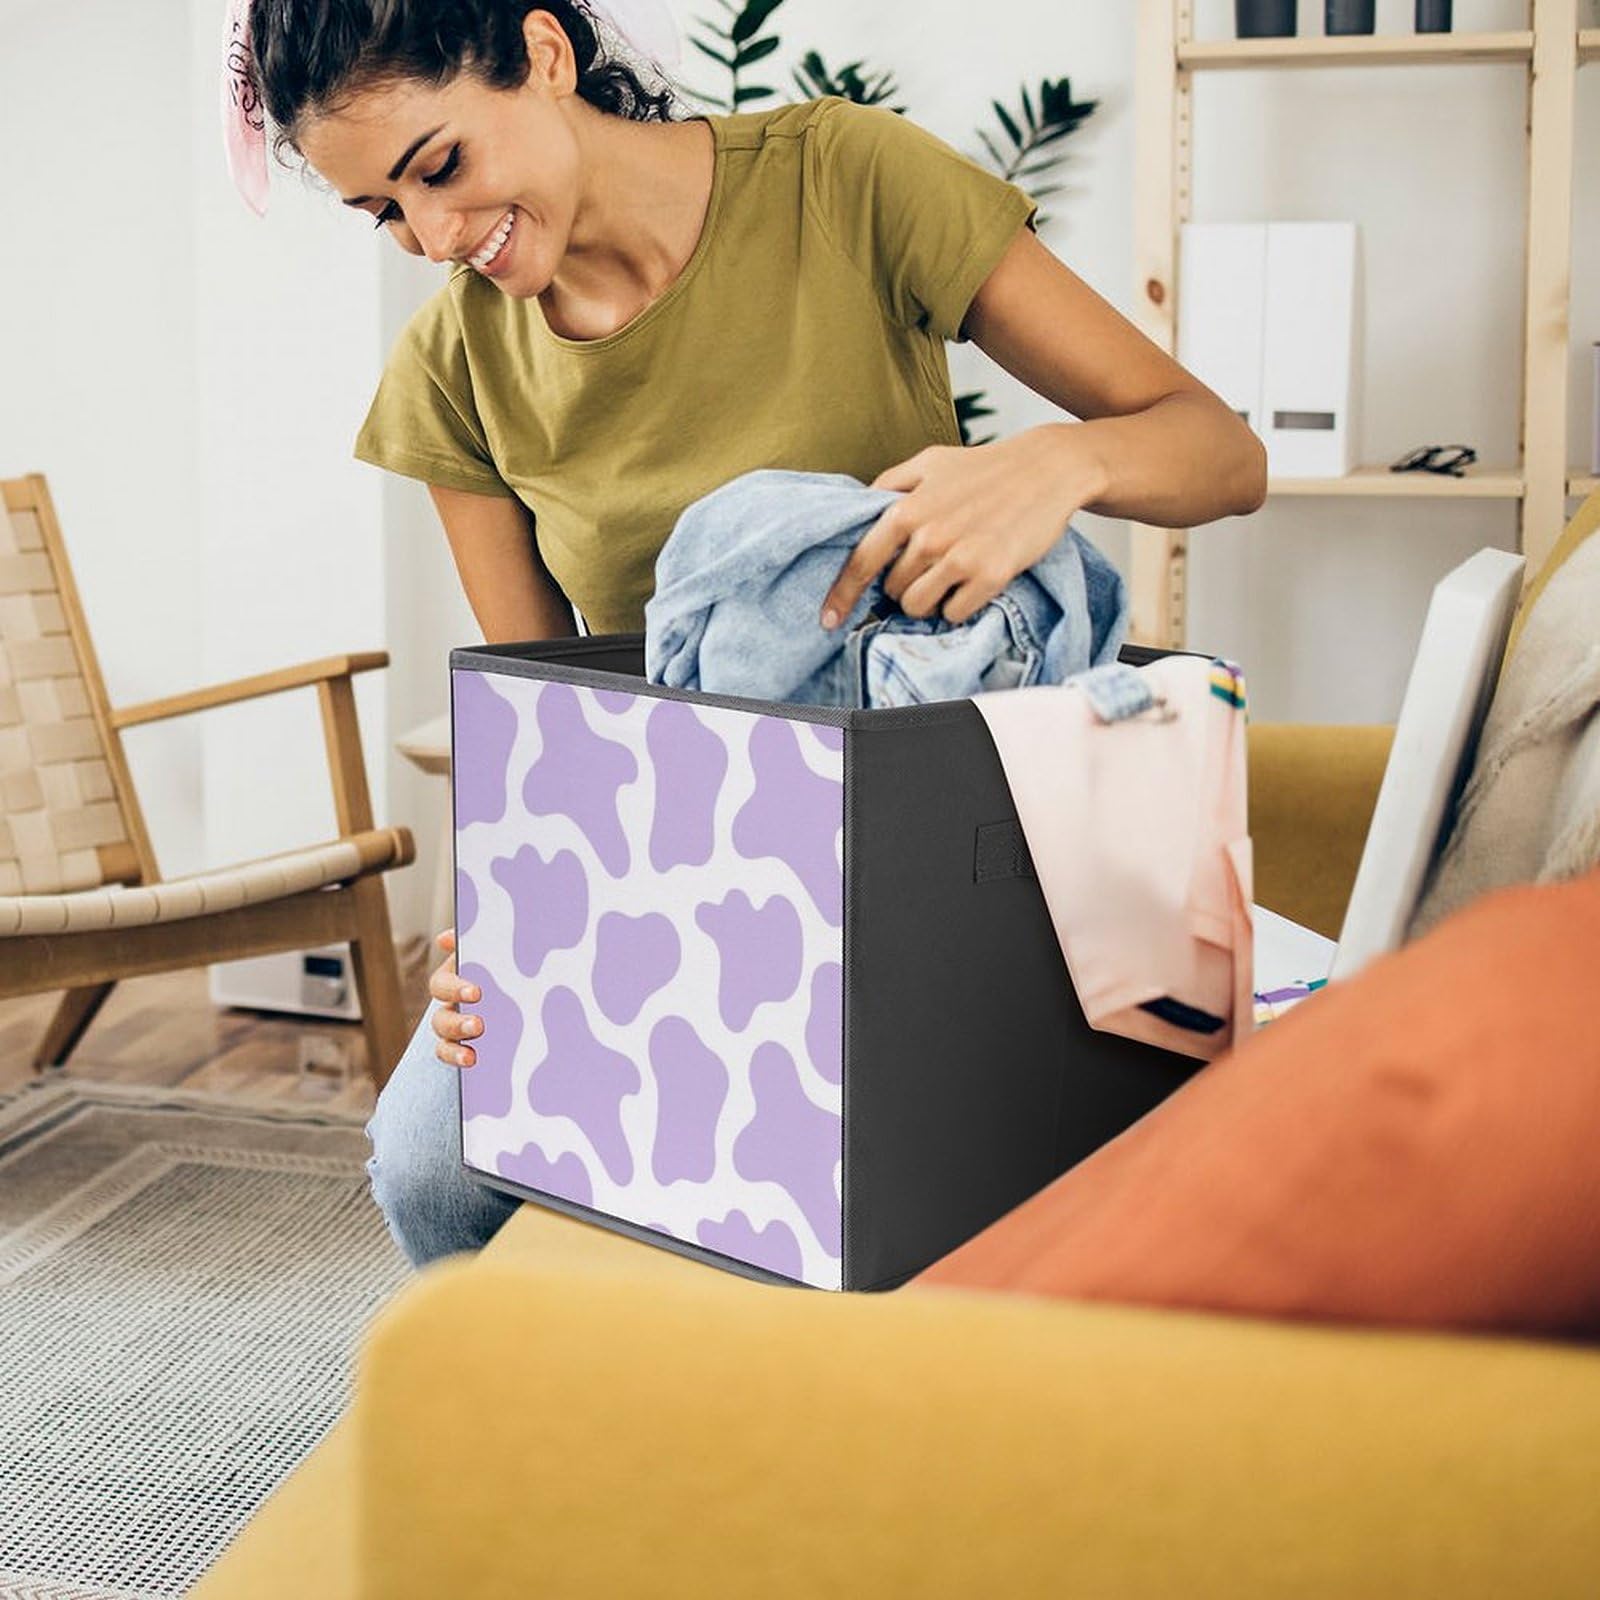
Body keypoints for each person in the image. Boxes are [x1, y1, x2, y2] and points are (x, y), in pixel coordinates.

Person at [239, 0, 1266, 1268]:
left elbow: (1223, 455)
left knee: (881, 1179)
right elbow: (545, 735)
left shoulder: (845, 180)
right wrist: (498, 936)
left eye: (440, 166)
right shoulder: (454, 365)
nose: (435, 237)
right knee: (430, 1165)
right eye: (382, 212)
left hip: (941, 831)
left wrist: (1060, 463)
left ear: (544, 57)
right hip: (686, 875)